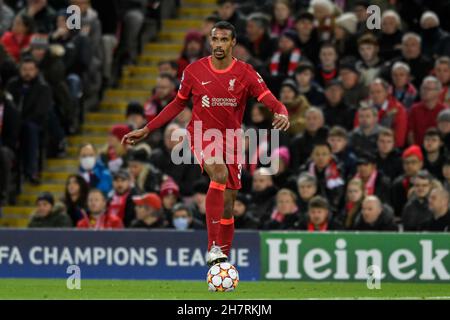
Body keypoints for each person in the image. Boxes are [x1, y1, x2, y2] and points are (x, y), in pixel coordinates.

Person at [122, 21, 290, 266]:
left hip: (232, 140)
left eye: (224, 40)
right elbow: (177, 104)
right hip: (202, 135)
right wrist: (148, 129)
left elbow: (270, 100)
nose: (219, 44)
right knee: (218, 174)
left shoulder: (245, 73)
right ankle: (212, 245)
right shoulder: (194, 71)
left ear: (233, 43)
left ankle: (221, 263)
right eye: (215, 39)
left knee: (229, 205)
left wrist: (282, 111)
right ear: (210, 41)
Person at [6, 56, 53, 184]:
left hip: (34, 125)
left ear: (36, 71)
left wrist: (20, 122)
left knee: (29, 129)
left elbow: (40, 112)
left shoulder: (43, 87)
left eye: (30, 69)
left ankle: (32, 171)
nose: (27, 73)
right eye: (24, 69)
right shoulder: (12, 85)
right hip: (12, 124)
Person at [355, 78, 408, 148]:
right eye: (372, 92)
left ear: (386, 93)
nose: (375, 95)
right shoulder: (363, 107)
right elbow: (357, 130)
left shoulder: (398, 109)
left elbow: (399, 138)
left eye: (378, 92)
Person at [300, 142, 345, 211]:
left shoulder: (338, 172)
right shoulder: (304, 171)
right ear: (312, 156)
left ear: (330, 156)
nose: (321, 157)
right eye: (317, 154)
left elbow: (338, 197)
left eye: (324, 154)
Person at [409, 76, 448, 146]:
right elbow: (410, 133)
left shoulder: (445, 111)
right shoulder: (414, 109)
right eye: (423, 88)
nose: (425, 91)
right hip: (418, 149)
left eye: (429, 89)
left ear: (438, 92)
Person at [391, 145, 424, 217]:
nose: (409, 166)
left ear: (421, 163)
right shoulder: (397, 184)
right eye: (406, 162)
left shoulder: (430, 182)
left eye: (413, 162)